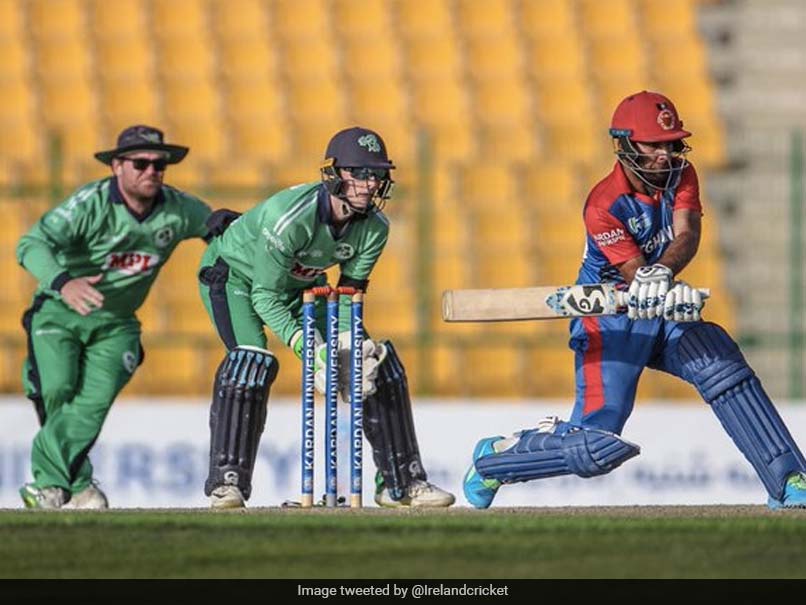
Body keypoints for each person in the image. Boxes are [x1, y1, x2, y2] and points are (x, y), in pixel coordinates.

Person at [463, 90, 806, 510]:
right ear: (624, 145)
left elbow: (687, 234)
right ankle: (494, 460)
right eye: (653, 145)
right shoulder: (602, 204)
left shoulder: (682, 174)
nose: (665, 155)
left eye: (671, 144)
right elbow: (634, 274)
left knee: (717, 357)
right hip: (609, 321)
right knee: (594, 445)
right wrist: (654, 279)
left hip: (656, 308)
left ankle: (788, 480)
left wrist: (663, 274)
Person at [198, 126, 455, 509]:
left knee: (373, 363)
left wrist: (350, 348)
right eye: (360, 173)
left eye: (376, 174)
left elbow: (350, 296)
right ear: (334, 173)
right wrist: (311, 349)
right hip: (236, 277)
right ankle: (227, 482)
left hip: (303, 284)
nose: (371, 183)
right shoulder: (289, 218)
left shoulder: (375, 229)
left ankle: (402, 483)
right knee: (251, 362)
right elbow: (265, 296)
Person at [17, 125, 217, 509]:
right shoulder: (89, 205)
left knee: (93, 403)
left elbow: (220, 230)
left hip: (117, 322)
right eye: (140, 163)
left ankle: (52, 488)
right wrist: (64, 282)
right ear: (116, 167)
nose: (151, 171)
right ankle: (76, 486)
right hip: (60, 310)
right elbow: (31, 244)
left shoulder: (178, 209)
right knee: (56, 390)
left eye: (159, 165)